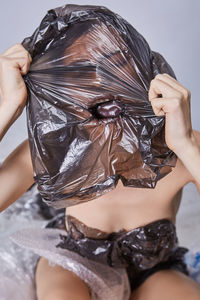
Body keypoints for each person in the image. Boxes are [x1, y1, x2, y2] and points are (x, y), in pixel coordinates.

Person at [0, 42, 200, 300]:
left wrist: (185, 145)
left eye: (114, 70)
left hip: (154, 271)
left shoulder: (182, 147)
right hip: (70, 264)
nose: (99, 85)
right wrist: (8, 107)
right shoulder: (52, 150)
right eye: (82, 78)